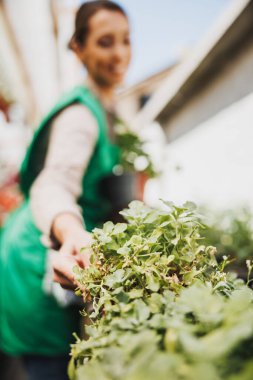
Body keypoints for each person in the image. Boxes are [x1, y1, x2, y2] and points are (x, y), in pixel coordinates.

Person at [0, 1, 131, 379]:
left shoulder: (107, 108)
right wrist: (73, 232)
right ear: (78, 48)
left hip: (49, 247)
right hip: (37, 256)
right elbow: (53, 182)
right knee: (54, 364)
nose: (119, 53)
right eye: (105, 42)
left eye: (125, 40)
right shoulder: (80, 117)